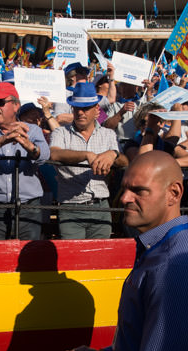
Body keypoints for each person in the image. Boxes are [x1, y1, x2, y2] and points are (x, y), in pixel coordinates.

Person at [66, 150, 188, 351]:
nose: (124, 198)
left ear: (174, 193)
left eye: (139, 191)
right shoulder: (164, 254)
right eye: (124, 188)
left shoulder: (180, 269)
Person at [0, 82, 50, 240]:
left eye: (0, 102)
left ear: (16, 106)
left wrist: (26, 143)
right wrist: (4, 139)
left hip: (29, 205)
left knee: (28, 259)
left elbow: (45, 156)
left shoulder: (32, 130)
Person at [50, 82, 128, 239]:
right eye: (77, 108)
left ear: (96, 110)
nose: (80, 112)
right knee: (74, 260)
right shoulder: (60, 132)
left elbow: (125, 163)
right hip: (71, 207)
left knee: (100, 260)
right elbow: (54, 155)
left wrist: (113, 154)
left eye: (85, 108)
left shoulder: (108, 134)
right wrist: (86, 155)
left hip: (101, 207)